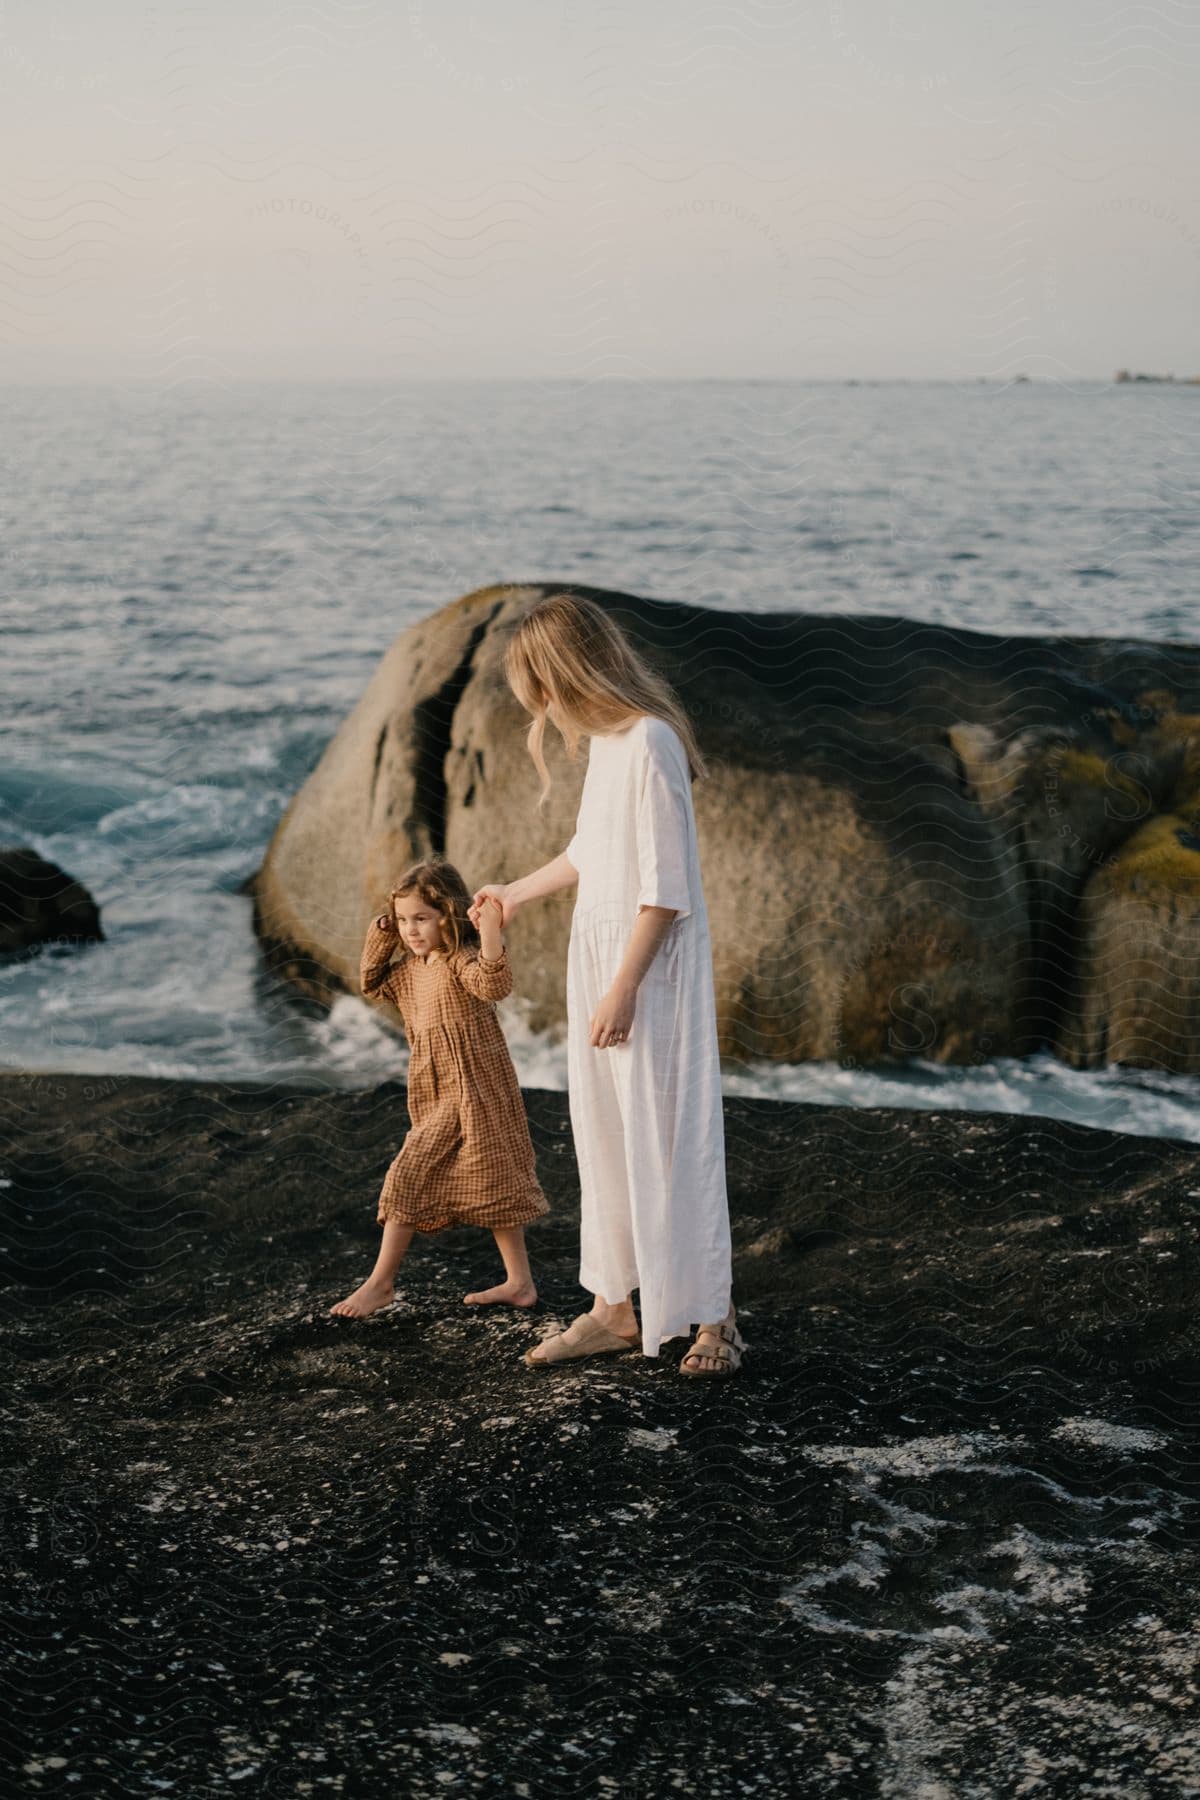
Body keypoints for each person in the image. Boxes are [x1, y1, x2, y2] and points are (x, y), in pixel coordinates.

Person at [474, 593, 745, 1377]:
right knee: (605, 1135)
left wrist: (624, 987)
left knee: (669, 1132)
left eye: (542, 687)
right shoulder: (607, 744)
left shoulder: (652, 740)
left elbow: (664, 888)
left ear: (567, 671)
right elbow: (591, 852)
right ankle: (615, 1311)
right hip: (602, 958)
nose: (542, 706)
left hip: (647, 967)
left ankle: (715, 1317)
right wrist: (514, 894)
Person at [329, 857, 548, 1320]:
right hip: (436, 1087)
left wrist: (490, 930)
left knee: (411, 1174)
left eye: (421, 919)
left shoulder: (458, 960)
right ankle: (520, 1283)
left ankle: (380, 1283)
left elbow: (494, 984)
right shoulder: (413, 968)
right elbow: (371, 981)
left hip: (475, 1087)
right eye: (404, 920)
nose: (411, 930)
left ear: (448, 915)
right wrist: (383, 932)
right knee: (493, 1177)